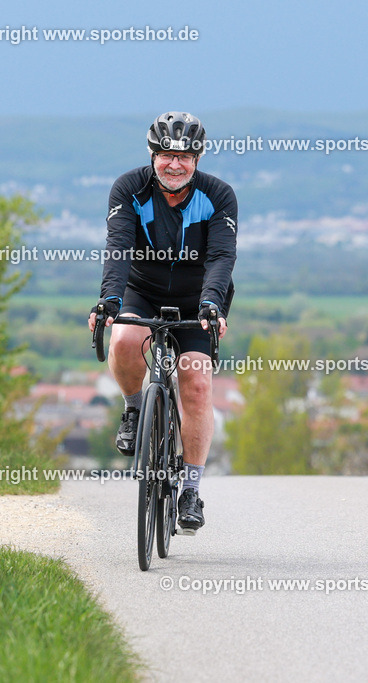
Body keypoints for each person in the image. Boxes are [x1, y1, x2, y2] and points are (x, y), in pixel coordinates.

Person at [88, 111, 237, 532]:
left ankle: (190, 489)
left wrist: (212, 304)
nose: (175, 164)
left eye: (185, 156)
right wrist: (109, 300)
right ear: (152, 155)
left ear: (198, 158)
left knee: (197, 383)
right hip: (142, 289)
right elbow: (118, 247)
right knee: (123, 341)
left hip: (198, 298)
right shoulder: (129, 188)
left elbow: (222, 256)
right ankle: (134, 407)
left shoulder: (218, 195)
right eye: (167, 155)